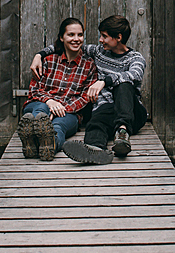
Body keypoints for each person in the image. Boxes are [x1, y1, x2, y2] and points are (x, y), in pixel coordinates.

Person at [31, 15, 146, 165]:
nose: (100, 40)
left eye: (104, 36)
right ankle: (95, 150)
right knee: (95, 122)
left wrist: (104, 81)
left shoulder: (135, 58)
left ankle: (122, 132)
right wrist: (39, 55)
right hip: (107, 109)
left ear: (118, 37)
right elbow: (67, 45)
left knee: (124, 85)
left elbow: (134, 74)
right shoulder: (99, 52)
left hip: (132, 113)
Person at [18, 17, 99, 161]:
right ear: (62, 37)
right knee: (40, 110)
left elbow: (86, 96)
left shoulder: (89, 65)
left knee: (58, 127)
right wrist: (50, 102)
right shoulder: (48, 60)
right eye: (71, 35)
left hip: (69, 113)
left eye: (80, 35)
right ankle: (33, 134)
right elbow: (34, 90)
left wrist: (61, 109)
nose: (76, 39)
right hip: (39, 104)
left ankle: (47, 146)